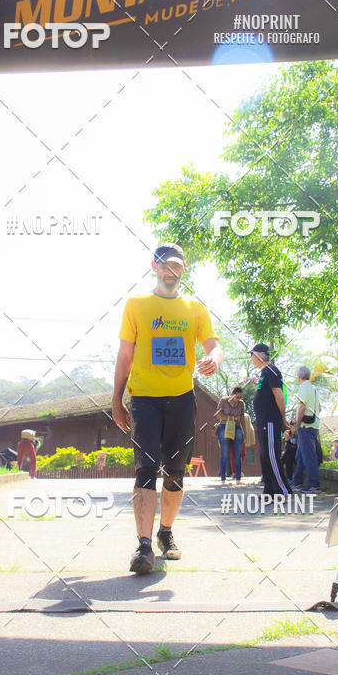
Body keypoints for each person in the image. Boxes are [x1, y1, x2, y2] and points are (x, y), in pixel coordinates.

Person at [113, 243, 222, 575]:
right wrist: (116, 399)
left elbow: (213, 345)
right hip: (144, 398)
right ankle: (144, 547)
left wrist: (213, 360)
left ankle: (165, 533)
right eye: (164, 265)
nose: (169, 271)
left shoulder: (195, 309)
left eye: (175, 266)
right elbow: (125, 355)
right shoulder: (136, 305)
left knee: (175, 471)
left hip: (181, 398)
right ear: (154, 266)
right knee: (145, 468)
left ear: (182, 269)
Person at [250, 343, 290, 497]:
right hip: (263, 421)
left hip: (270, 420)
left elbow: (278, 395)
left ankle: (283, 491)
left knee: (272, 455)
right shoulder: (263, 373)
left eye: (252, 354)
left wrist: (283, 418)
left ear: (259, 355)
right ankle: (270, 490)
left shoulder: (271, 370)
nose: (251, 358)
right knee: (265, 455)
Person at [291, 366, 321, 493]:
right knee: (300, 456)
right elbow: (319, 408)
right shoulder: (313, 388)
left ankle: (314, 484)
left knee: (308, 456)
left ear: (299, 377)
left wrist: (296, 424)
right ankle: (297, 482)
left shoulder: (303, 387)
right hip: (313, 425)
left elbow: (302, 407)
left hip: (305, 427)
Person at [215, 386, 245, 484]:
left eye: (240, 397)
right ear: (232, 394)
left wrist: (243, 430)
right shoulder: (223, 401)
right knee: (224, 454)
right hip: (224, 427)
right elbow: (218, 415)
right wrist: (231, 418)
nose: (238, 399)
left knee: (237, 454)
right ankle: (223, 479)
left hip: (237, 428)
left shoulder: (241, 404)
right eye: (237, 397)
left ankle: (238, 478)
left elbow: (241, 418)